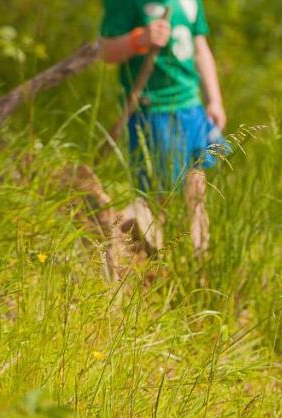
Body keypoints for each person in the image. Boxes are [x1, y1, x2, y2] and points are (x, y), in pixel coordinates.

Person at [99, 0, 227, 254]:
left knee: (197, 181)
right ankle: (138, 254)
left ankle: (198, 254)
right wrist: (139, 39)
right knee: (159, 196)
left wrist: (214, 98)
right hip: (154, 110)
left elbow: (200, 47)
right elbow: (106, 51)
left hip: (191, 106)